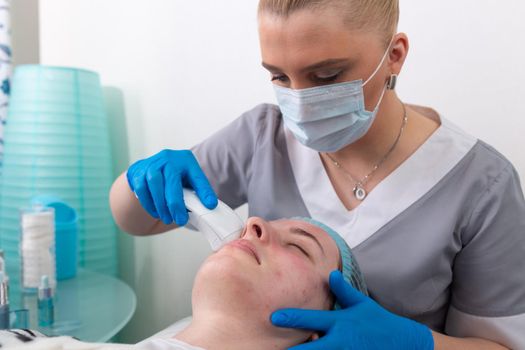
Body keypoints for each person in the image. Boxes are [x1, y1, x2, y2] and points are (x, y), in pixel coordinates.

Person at [110, 0, 525, 349]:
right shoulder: (261, 137)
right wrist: (140, 182)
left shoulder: (482, 185)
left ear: (394, 55)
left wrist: (414, 342)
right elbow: (135, 220)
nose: (300, 100)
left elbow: (502, 345)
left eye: (327, 76)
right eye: (278, 75)